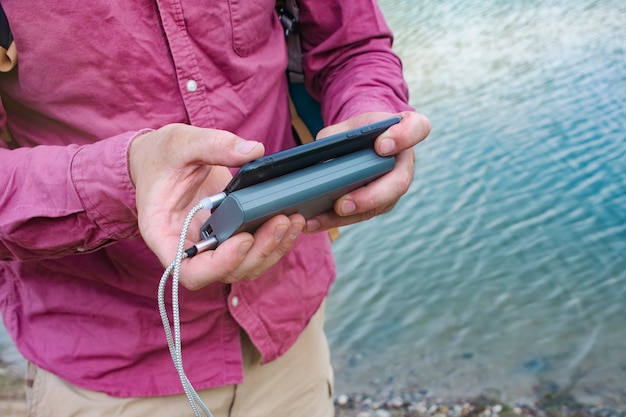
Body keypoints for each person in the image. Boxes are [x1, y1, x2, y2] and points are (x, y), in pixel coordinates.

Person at [0, 1, 431, 416]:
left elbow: (351, 45)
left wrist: (370, 113)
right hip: (108, 367)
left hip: (289, 333)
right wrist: (128, 177)